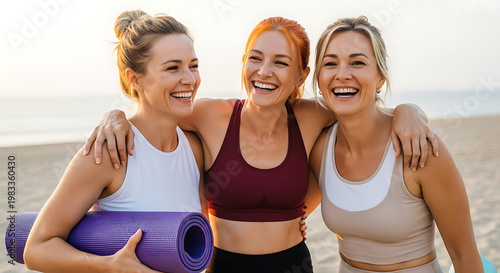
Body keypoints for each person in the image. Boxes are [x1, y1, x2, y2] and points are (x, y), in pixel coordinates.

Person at [84, 16, 439, 273]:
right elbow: (152, 111)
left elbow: (365, 109)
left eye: (281, 62)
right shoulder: (210, 115)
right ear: (244, 63)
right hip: (221, 265)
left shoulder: (313, 116)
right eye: (255, 58)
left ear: (301, 74)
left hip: (293, 263)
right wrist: (115, 116)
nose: (264, 71)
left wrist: (409, 111)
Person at [23, 10, 207, 273]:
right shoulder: (108, 152)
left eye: (194, 65)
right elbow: (36, 250)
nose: (189, 79)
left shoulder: (195, 149)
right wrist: (109, 265)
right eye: (172, 67)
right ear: (135, 79)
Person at [309, 16, 483, 273]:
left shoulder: (420, 149)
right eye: (330, 63)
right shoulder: (319, 148)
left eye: (357, 62)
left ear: (380, 77)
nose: (342, 74)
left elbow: (464, 255)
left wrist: (408, 110)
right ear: (319, 78)